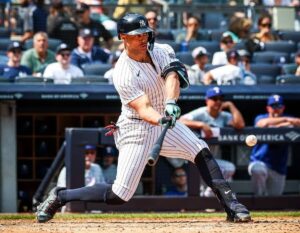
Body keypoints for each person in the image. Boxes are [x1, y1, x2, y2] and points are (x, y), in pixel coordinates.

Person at [36, 13, 251, 224]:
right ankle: (61, 196)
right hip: (135, 127)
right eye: (136, 35)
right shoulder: (122, 72)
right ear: (123, 37)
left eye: (145, 34)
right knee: (119, 195)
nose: (142, 38)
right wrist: (160, 119)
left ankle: (233, 207)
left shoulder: (162, 50)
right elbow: (144, 108)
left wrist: (170, 102)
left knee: (200, 149)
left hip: (164, 115)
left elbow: (172, 76)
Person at [179, 87, 245, 196]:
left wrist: (231, 106)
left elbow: (240, 125)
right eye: (214, 98)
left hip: (212, 159)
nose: (218, 101)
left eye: (220, 99)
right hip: (195, 159)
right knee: (196, 191)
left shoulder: (223, 116)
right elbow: (180, 120)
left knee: (228, 168)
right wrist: (200, 124)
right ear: (207, 100)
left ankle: (211, 196)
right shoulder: (201, 112)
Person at [248, 94, 300, 196]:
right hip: (259, 161)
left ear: (283, 107)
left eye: (279, 106)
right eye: (273, 106)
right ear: (268, 108)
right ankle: (259, 200)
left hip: (278, 167)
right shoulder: (261, 117)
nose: (276, 109)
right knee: (257, 170)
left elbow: (298, 122)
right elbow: (262, 123)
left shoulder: (290, 118)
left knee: (275, 199)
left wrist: (279, 124)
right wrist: (286, 121)